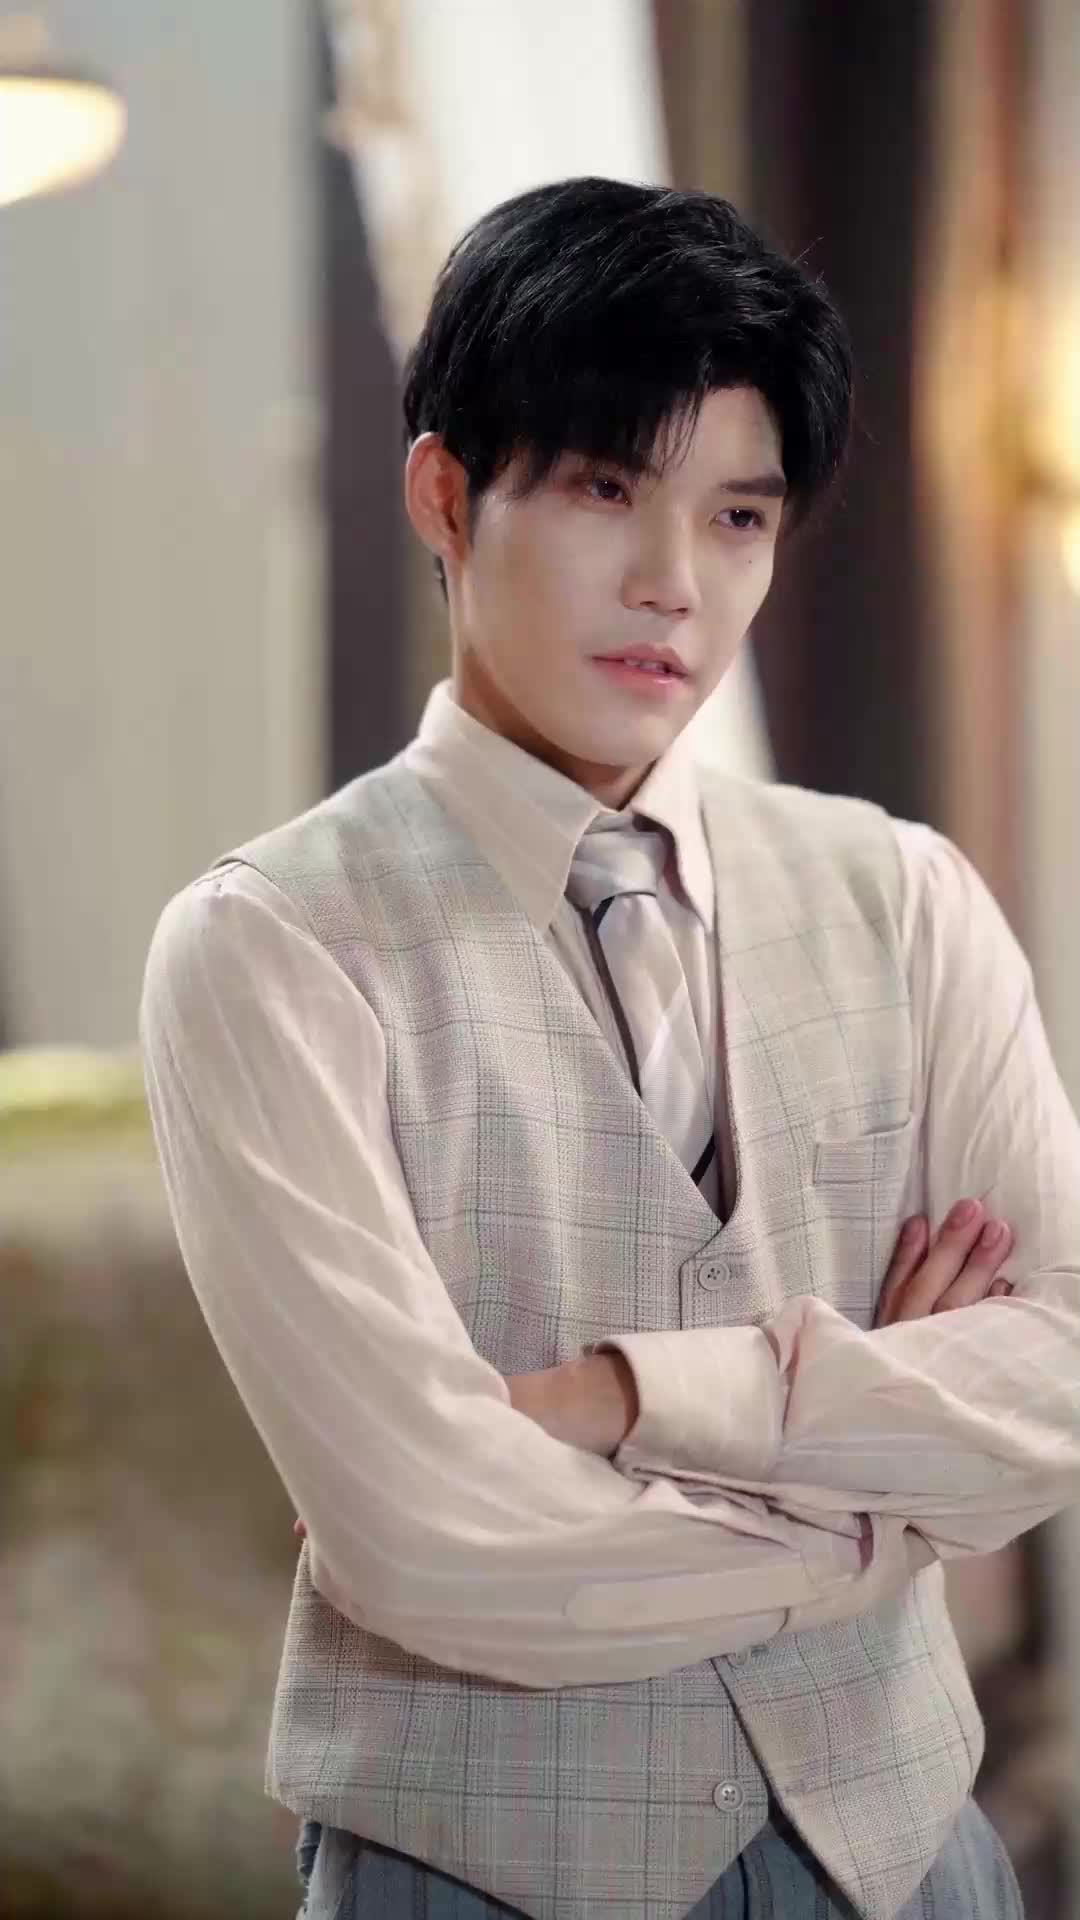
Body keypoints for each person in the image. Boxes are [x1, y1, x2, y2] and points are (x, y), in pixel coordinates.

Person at [138, 178, 1080, 1920]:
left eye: (738, 517)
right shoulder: (269, 948)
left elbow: (1066, 1372)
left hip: (910, 1860)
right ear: (446, 493)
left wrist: (624, 1403)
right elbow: (434, 1542)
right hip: (472, 1876)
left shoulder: (905, 898)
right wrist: (880, 1512)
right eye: (601, 490)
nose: (673, 586)